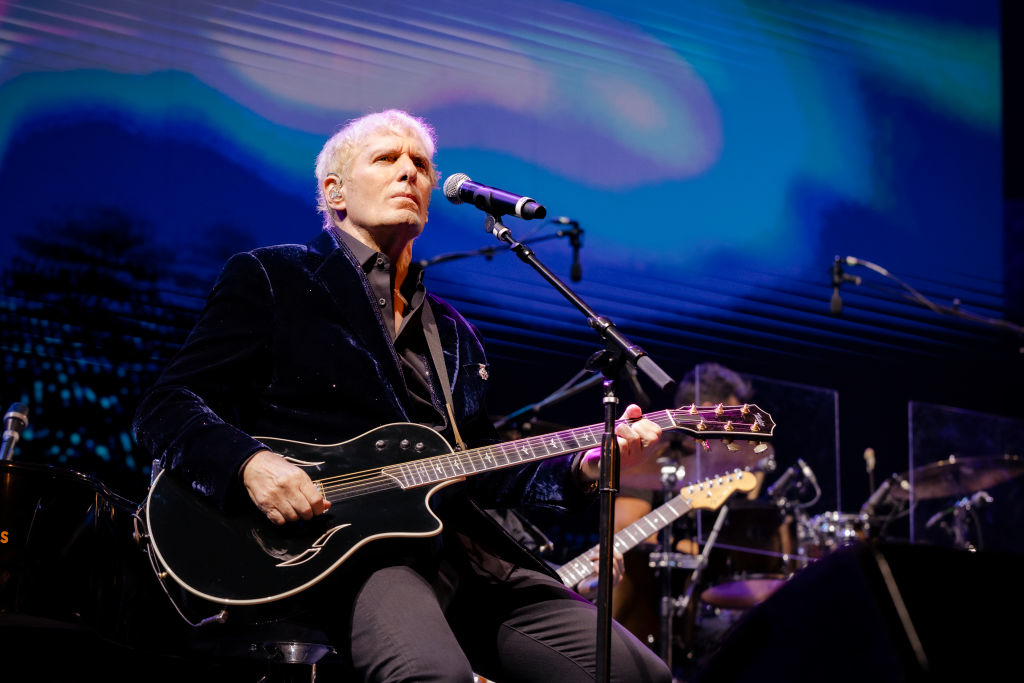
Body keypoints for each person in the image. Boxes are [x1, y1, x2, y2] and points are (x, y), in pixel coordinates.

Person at [133, 109, 672, 683]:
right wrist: (248, 463)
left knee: (640, 674)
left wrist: (584, 469)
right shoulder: (274, 277)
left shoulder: (455, 333)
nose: (409, 173)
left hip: (468, 552)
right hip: (348, 550)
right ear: (334, 191)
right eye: (386, 159)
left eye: (420, 164)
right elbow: (166, 405)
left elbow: (480, 464)